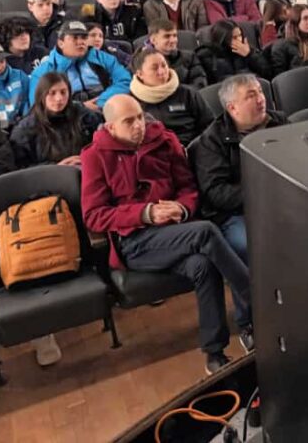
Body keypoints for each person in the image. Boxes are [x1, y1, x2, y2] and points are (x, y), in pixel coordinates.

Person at [81, 95, 253, 374]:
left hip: (175, 230)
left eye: (139, 117)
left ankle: (214, 353)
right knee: (205, 232)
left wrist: (182, 208)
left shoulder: (164, 140)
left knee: (203, 265)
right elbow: (94, 216)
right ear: (111, 127)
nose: (139, 125)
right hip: (136, 242)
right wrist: (145, 213)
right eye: (129, 121)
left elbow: (188, 188)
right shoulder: (94, 156)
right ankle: (256, 300)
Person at [189, 75, 283, 263]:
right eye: (250, 96)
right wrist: (264, 192)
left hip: (281, 202)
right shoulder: (211, 142)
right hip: (236, 213)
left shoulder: (279, 122)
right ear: (232, 108)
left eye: (260, 92)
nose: (261, 99)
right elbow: (217, 193)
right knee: (252, 246)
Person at [30, 20, 132, 109]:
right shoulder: (44, 71)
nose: (81, 42)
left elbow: (124, 80)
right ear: (61, 43)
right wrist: (80, 108)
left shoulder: (103, 58)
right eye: (74, 38)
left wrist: (101, 102)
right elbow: (37, 104)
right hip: (67, 116)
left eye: (84, 37)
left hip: (105, 106)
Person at [10, 72, 103, 168]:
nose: (59, 98)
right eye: (52, 93)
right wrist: (55, 168)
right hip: (47, 179)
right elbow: (20, 168)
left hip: (86, 170)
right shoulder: (25, 129)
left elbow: (102, 141)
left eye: (63, 92)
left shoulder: (82, 114)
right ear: (42, 95)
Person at [130, 48, 212, 149]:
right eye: (154, 68)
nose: (162, 71)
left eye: (164, 65)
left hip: (192, 148)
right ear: (140, 74)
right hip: (153, 154)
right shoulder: (131, 101)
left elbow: (209, 125)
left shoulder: (187, 93)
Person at [198, 20, 271, 84]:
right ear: (223, 39)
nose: (239, 40)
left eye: (240, 35)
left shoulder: (246, 49)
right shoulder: (208, 56)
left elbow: (267, 72)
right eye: (234, 37)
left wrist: (249, 55)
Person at [146, 19, 208, 89]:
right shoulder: (144, 62)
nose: (173, 40)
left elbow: (200, 83)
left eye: (175, 35)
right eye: (167, 36)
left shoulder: (190, 57)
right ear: (153, 40)